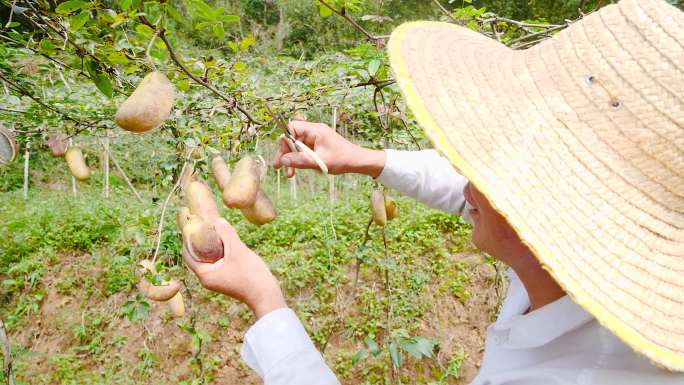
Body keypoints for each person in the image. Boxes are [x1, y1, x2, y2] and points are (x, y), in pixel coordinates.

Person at [181, 0, 684, 383]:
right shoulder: (571, 262)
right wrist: (366, 159)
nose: (465, 181)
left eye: (486, 166)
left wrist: (266, 301)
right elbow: (469, 191)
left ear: (534, 212)